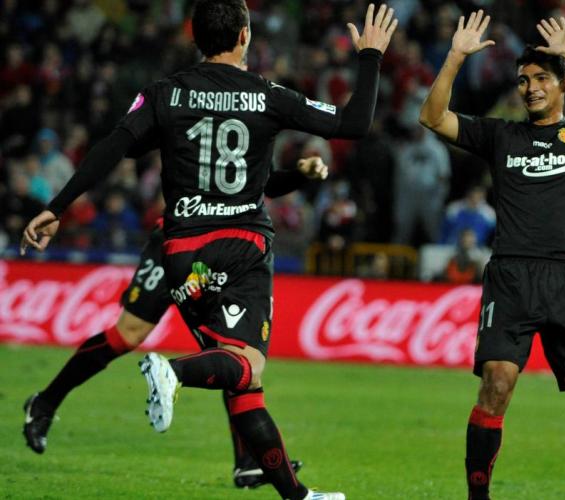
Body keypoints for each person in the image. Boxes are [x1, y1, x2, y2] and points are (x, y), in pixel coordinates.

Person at [21, 2, 397, 499]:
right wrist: (370, 56)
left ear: (194, 37)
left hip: (180, 246)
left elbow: (117, 147)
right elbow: (353, 122)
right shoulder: (267, 95)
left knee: (224, 354)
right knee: (196, 348)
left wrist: (58, 206)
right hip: (234, 245)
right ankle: (56, 400)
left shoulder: (165, 93)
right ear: (244, 35)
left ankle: (258, 469)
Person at [419, 11, 565, 500]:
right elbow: (433, 117)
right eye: (523, 80)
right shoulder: (502, 137)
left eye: (542, 78)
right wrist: (456, 57)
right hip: (511, 278)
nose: (530, 88)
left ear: (564, 84)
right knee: (496, 386)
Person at [22, 157, 328, 490]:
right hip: (176, 240)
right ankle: (45, 402)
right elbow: (127, 145)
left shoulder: (248, 130)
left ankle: (248, 462)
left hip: (226, 245)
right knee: (128, 334)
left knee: (230, 352)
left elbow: (264, 181)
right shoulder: (188, 126)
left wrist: (299, 174)